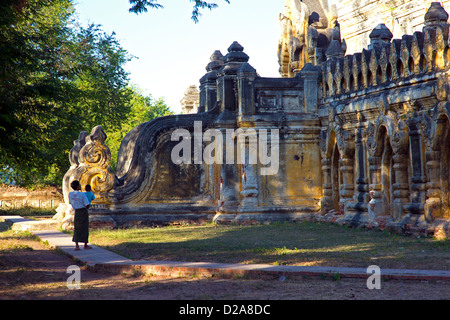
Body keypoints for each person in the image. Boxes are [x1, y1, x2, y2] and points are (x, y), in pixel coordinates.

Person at [68, 180, 91, 251]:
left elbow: (70, 202)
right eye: (79, 185)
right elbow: (87, 204)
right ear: (78, 186)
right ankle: (85, 245)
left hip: (77, 211)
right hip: (83, 211)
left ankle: (77, 246)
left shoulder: (70, 194)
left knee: (77, 228)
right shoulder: (82, 194)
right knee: (85, 227)